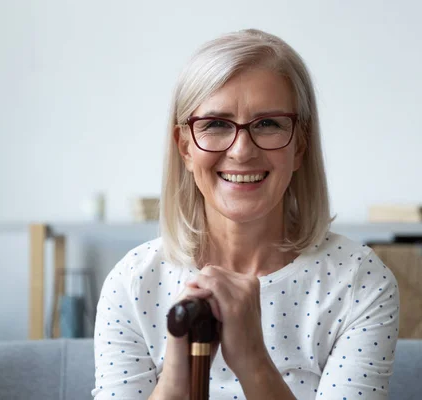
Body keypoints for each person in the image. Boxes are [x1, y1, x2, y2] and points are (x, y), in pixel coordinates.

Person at [92, 28, 400, 400]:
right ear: (185, 147)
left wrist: (253, 359)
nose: (241, 151)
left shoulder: (360, 283)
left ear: (300, 145)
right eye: (216, 124)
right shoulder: (131, 283)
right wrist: (177, 375)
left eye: (268, 124)